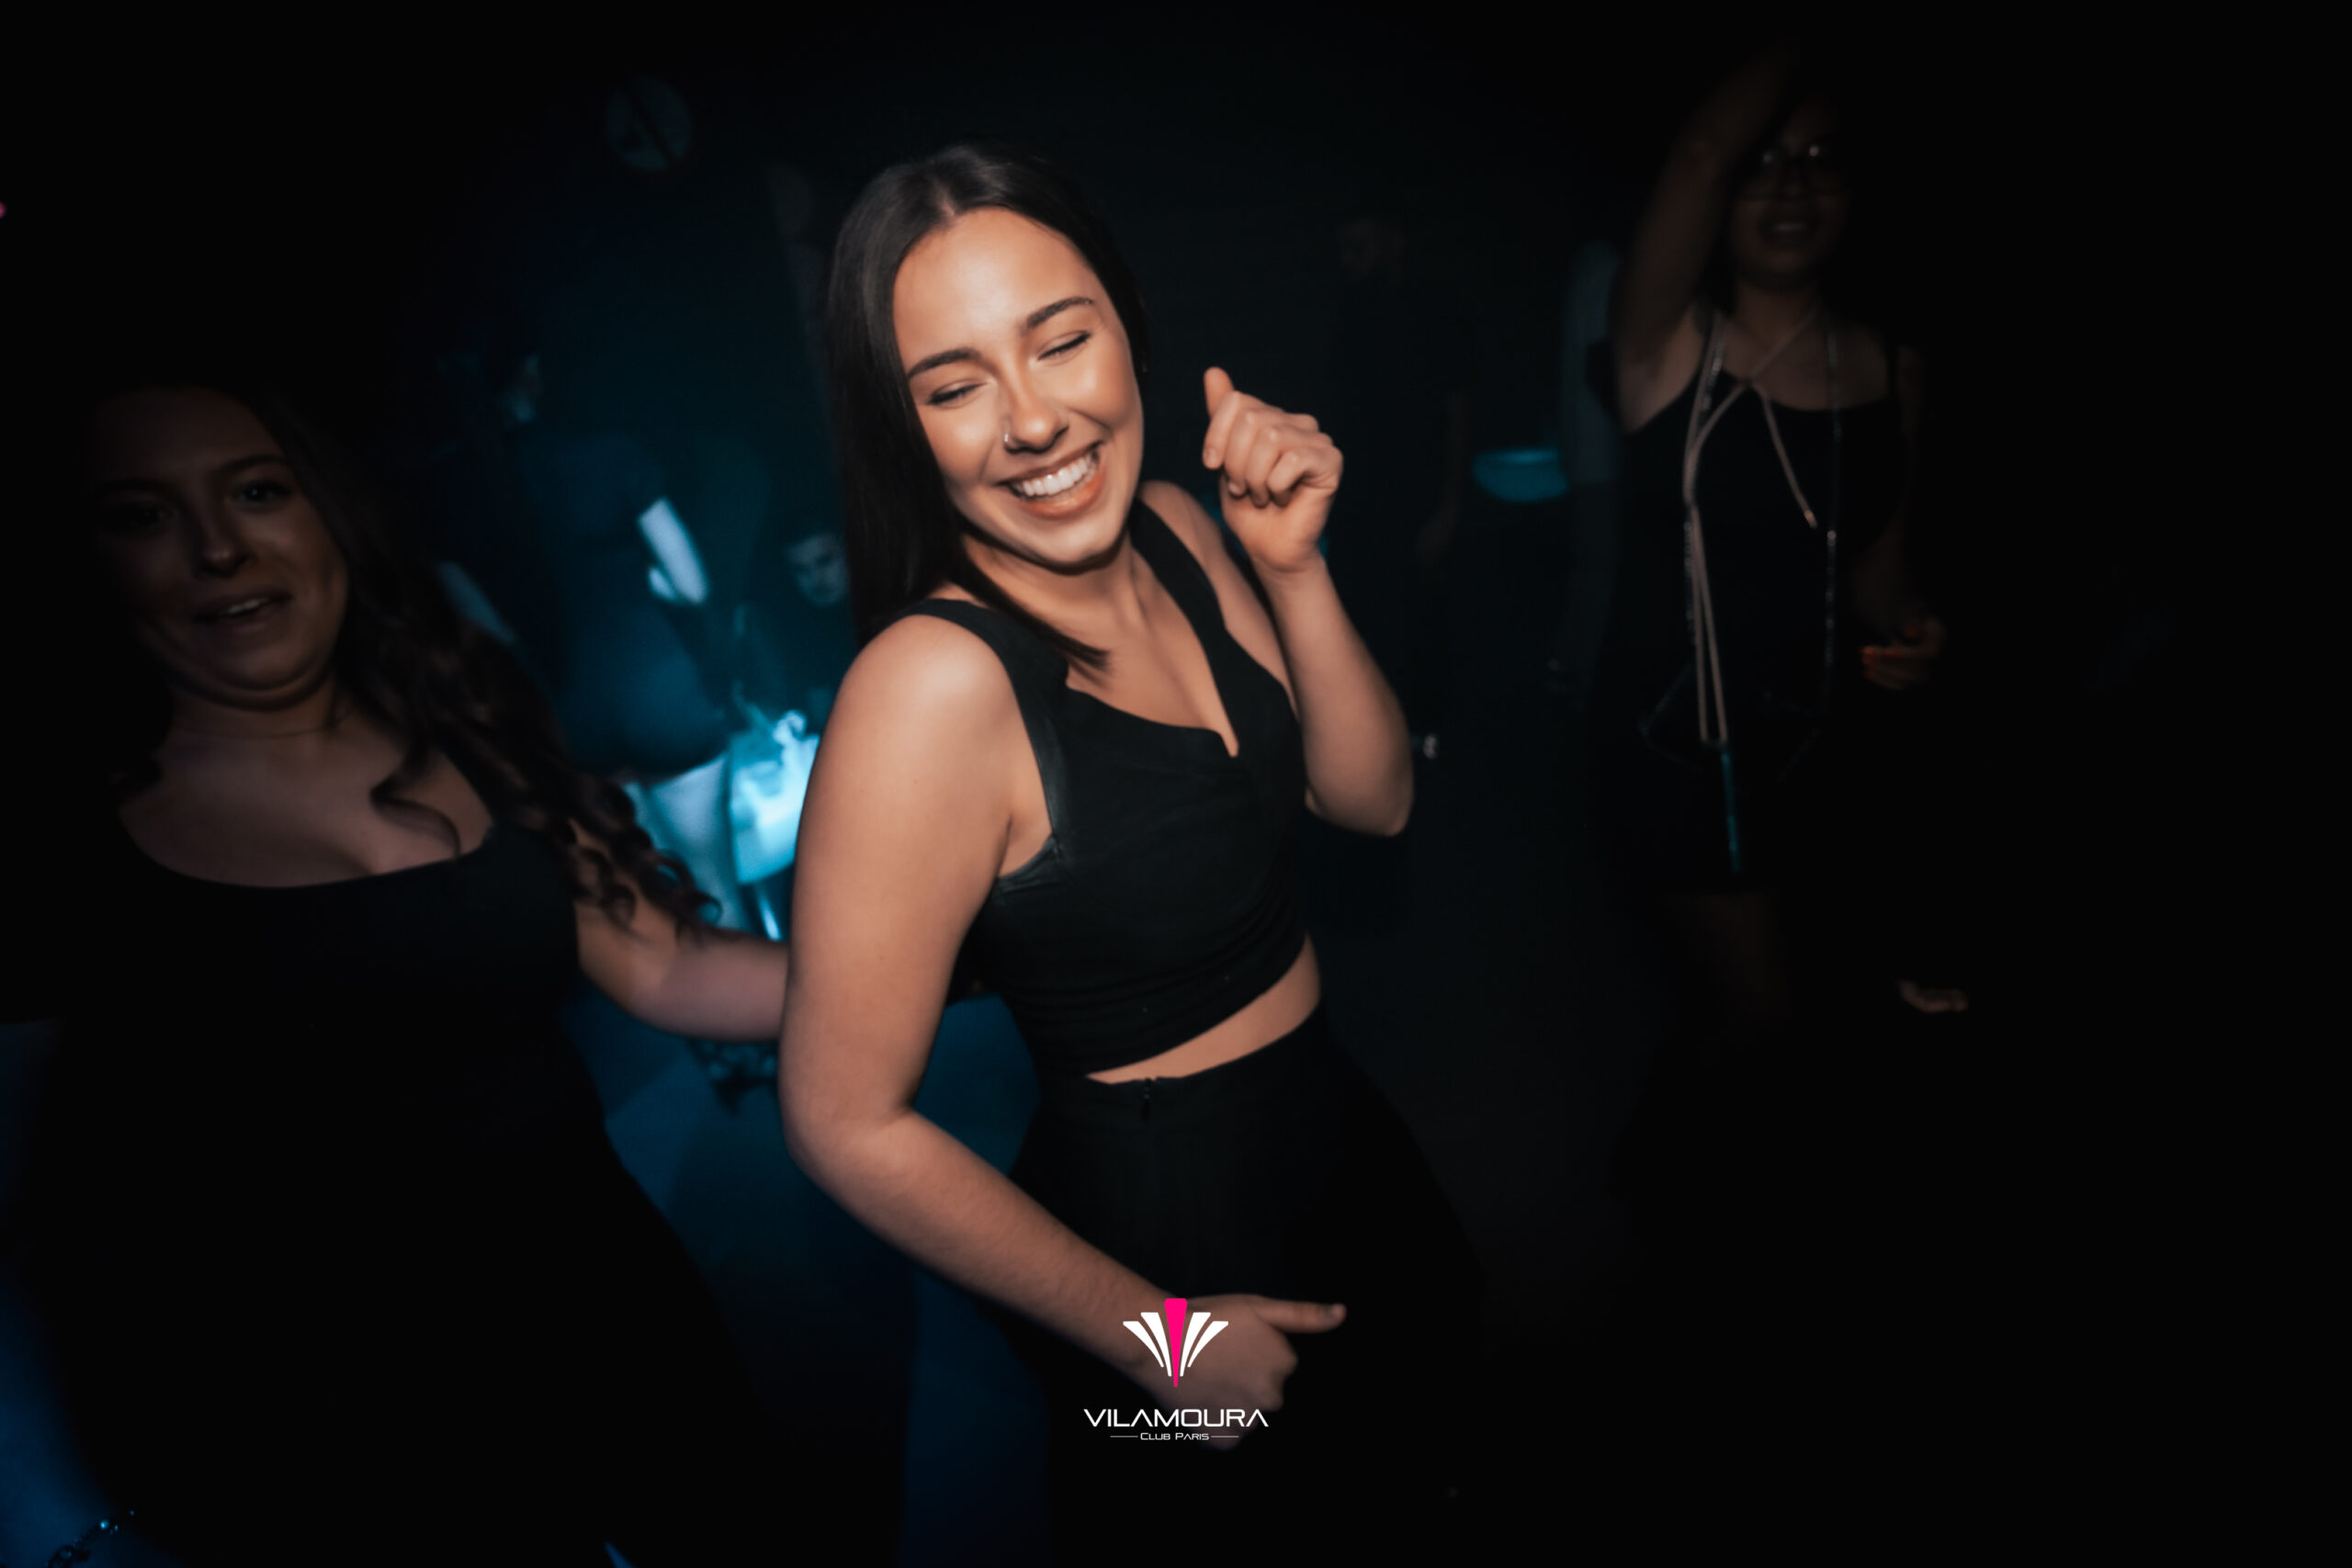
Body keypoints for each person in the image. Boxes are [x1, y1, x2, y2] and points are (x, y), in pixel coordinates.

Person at [776, 144, 1478, 1559]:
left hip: (1339, 1129)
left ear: (1129, 325)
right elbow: (841, 1118)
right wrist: (1153, 1340)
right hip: (1158, 1248)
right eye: (955, 386)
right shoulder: (928, 688)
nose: (1034, 418)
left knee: (1414, 1484)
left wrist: (1292, 566)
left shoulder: (1173, 525)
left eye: (1061, 340)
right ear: (902, 428)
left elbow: (1376, 800)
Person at [0, 374, 797, 1566]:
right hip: (326, 1435)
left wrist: (970, 957)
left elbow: (669, 967)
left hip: (616, 1315)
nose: (219, 547)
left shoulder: (466, 725)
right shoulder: (57, 845)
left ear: (328, 513)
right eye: (144, 514)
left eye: (257, 492)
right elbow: (14, 1205)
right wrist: (59, 1512)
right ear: (89, 559)